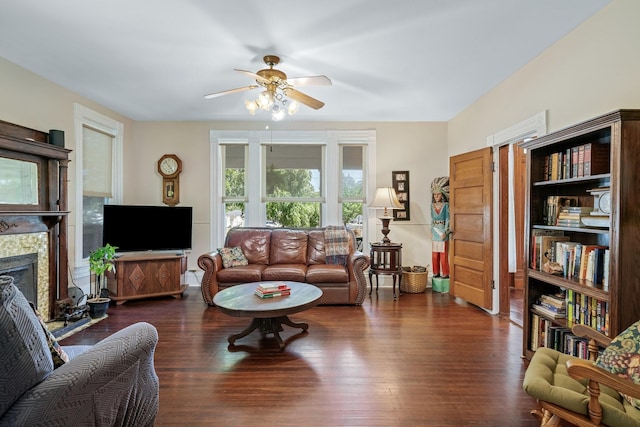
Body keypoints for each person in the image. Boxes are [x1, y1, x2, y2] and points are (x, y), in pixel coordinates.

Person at [430, 177, 450, 278]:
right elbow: (432, 219)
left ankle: (445, 273)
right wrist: (431, 230)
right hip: (435, 231)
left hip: (442, 231)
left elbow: (448, 219)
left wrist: (445, 231)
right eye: (435, 194)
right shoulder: (432, 205)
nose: (436, 196)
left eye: (438, 194)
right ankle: (435, 272)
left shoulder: (446, 205)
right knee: (434, 254)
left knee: (443, 254)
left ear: (442, 195)